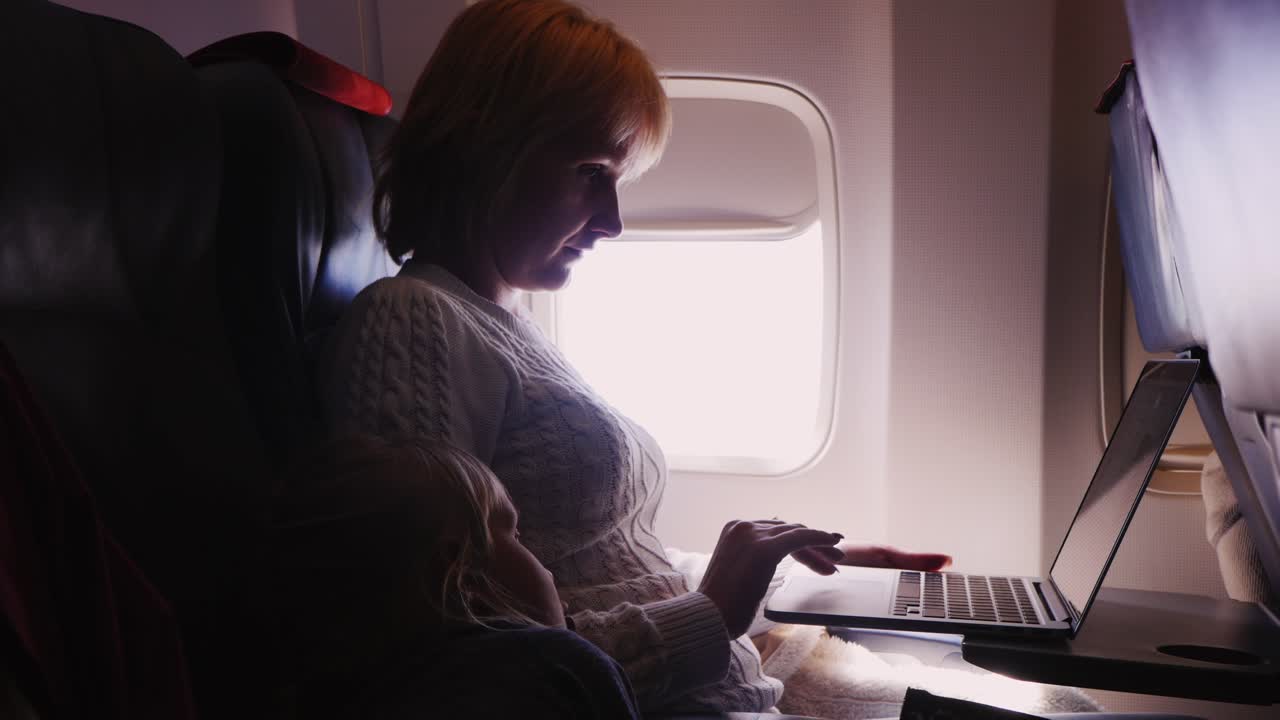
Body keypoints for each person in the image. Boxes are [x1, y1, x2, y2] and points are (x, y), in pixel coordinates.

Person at [319, 0, 950, 713]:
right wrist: (712, 611)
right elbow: (475, 668)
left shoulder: (508, 325)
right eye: (591, 172)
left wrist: (776, 578)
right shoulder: (411, 323)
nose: (613, 222)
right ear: (485, 148)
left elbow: (599, 565)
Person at [264, 434, 645, 719]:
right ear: (461, 572)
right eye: (513, 534)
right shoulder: (561, 665)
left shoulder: (333, 700)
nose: (544, 565)